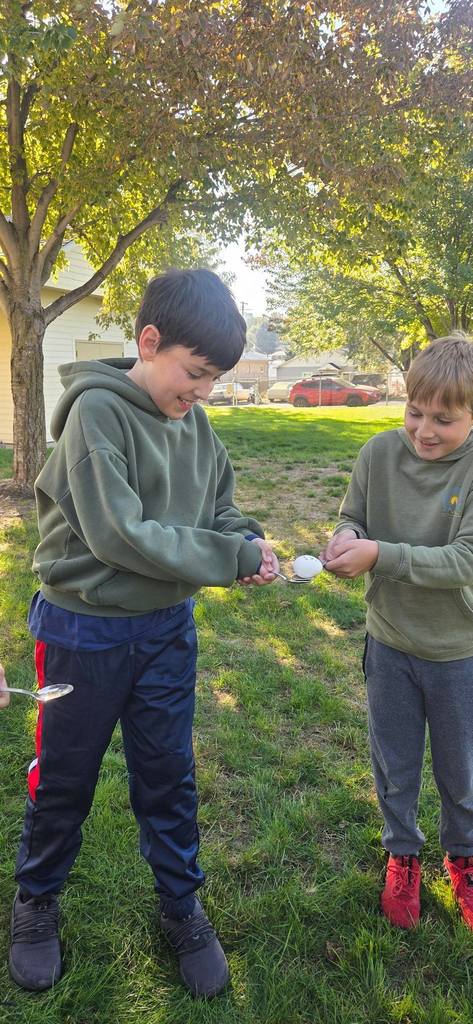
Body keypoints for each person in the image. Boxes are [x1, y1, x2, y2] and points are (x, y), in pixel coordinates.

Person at [9, 268, 279, 996]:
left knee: (167, 775)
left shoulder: (194, 421)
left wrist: (246, 539)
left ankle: (181, 905)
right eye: (195, 374)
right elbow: (119, 536)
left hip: (165, 631)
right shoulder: (97, 414)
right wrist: (228, 558)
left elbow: (219, 509)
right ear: (148, 341)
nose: (203, 392)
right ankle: (36, 900)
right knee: (63, 776)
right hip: (80, 632)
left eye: (214, 379)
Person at [322, 334, 473, 931]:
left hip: (459, 652)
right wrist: (345, 537)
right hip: (388, 643)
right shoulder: (377, 454)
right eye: (415, 412)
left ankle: (463, 856)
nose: (425, 431)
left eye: (445, 418)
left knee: (462, 769)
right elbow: (351, 516)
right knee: (395, 763)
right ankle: (402, 855)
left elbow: (465, 559)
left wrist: (379, 553)